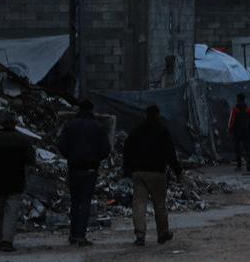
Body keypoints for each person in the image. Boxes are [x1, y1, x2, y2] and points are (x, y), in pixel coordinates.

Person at [122, 104, 182, 247]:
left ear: (146, 115)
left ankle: (140, 236)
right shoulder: (162, 131)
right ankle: (162, 233)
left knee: (139, 205)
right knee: (159, 204)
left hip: (139, 173)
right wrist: (177, 170)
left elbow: (127, 150)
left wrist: (126, 169)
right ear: (158, 115)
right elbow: (170, 153)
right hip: (157, 172)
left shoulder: (136, 130)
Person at [56, 99, 111, 247]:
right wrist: (95, 158)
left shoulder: (70, 126)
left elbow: (61, 145)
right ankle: (81, 235)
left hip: (74, 168)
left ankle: (73, 235)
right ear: (91, 110)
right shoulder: (98, 127)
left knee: (75, 202)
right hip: (90, 169)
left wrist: (71, 156)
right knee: (85, 202)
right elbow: (105, 149)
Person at [0, 111, 35, 252]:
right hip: (16, 180)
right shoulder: (22, 140)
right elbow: (31, 159)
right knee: (11, 211)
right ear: (15, 123)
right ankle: (7, 241)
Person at [227, 93, 250, 172]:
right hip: (247, 130)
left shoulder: (235, 110)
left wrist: (229, 130)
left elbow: (231, 122)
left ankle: (239, 165)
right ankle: (248, 163)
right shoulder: (249, 109)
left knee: (237, 148)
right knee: (247, 147)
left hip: (237, 132)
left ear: (238, 99)